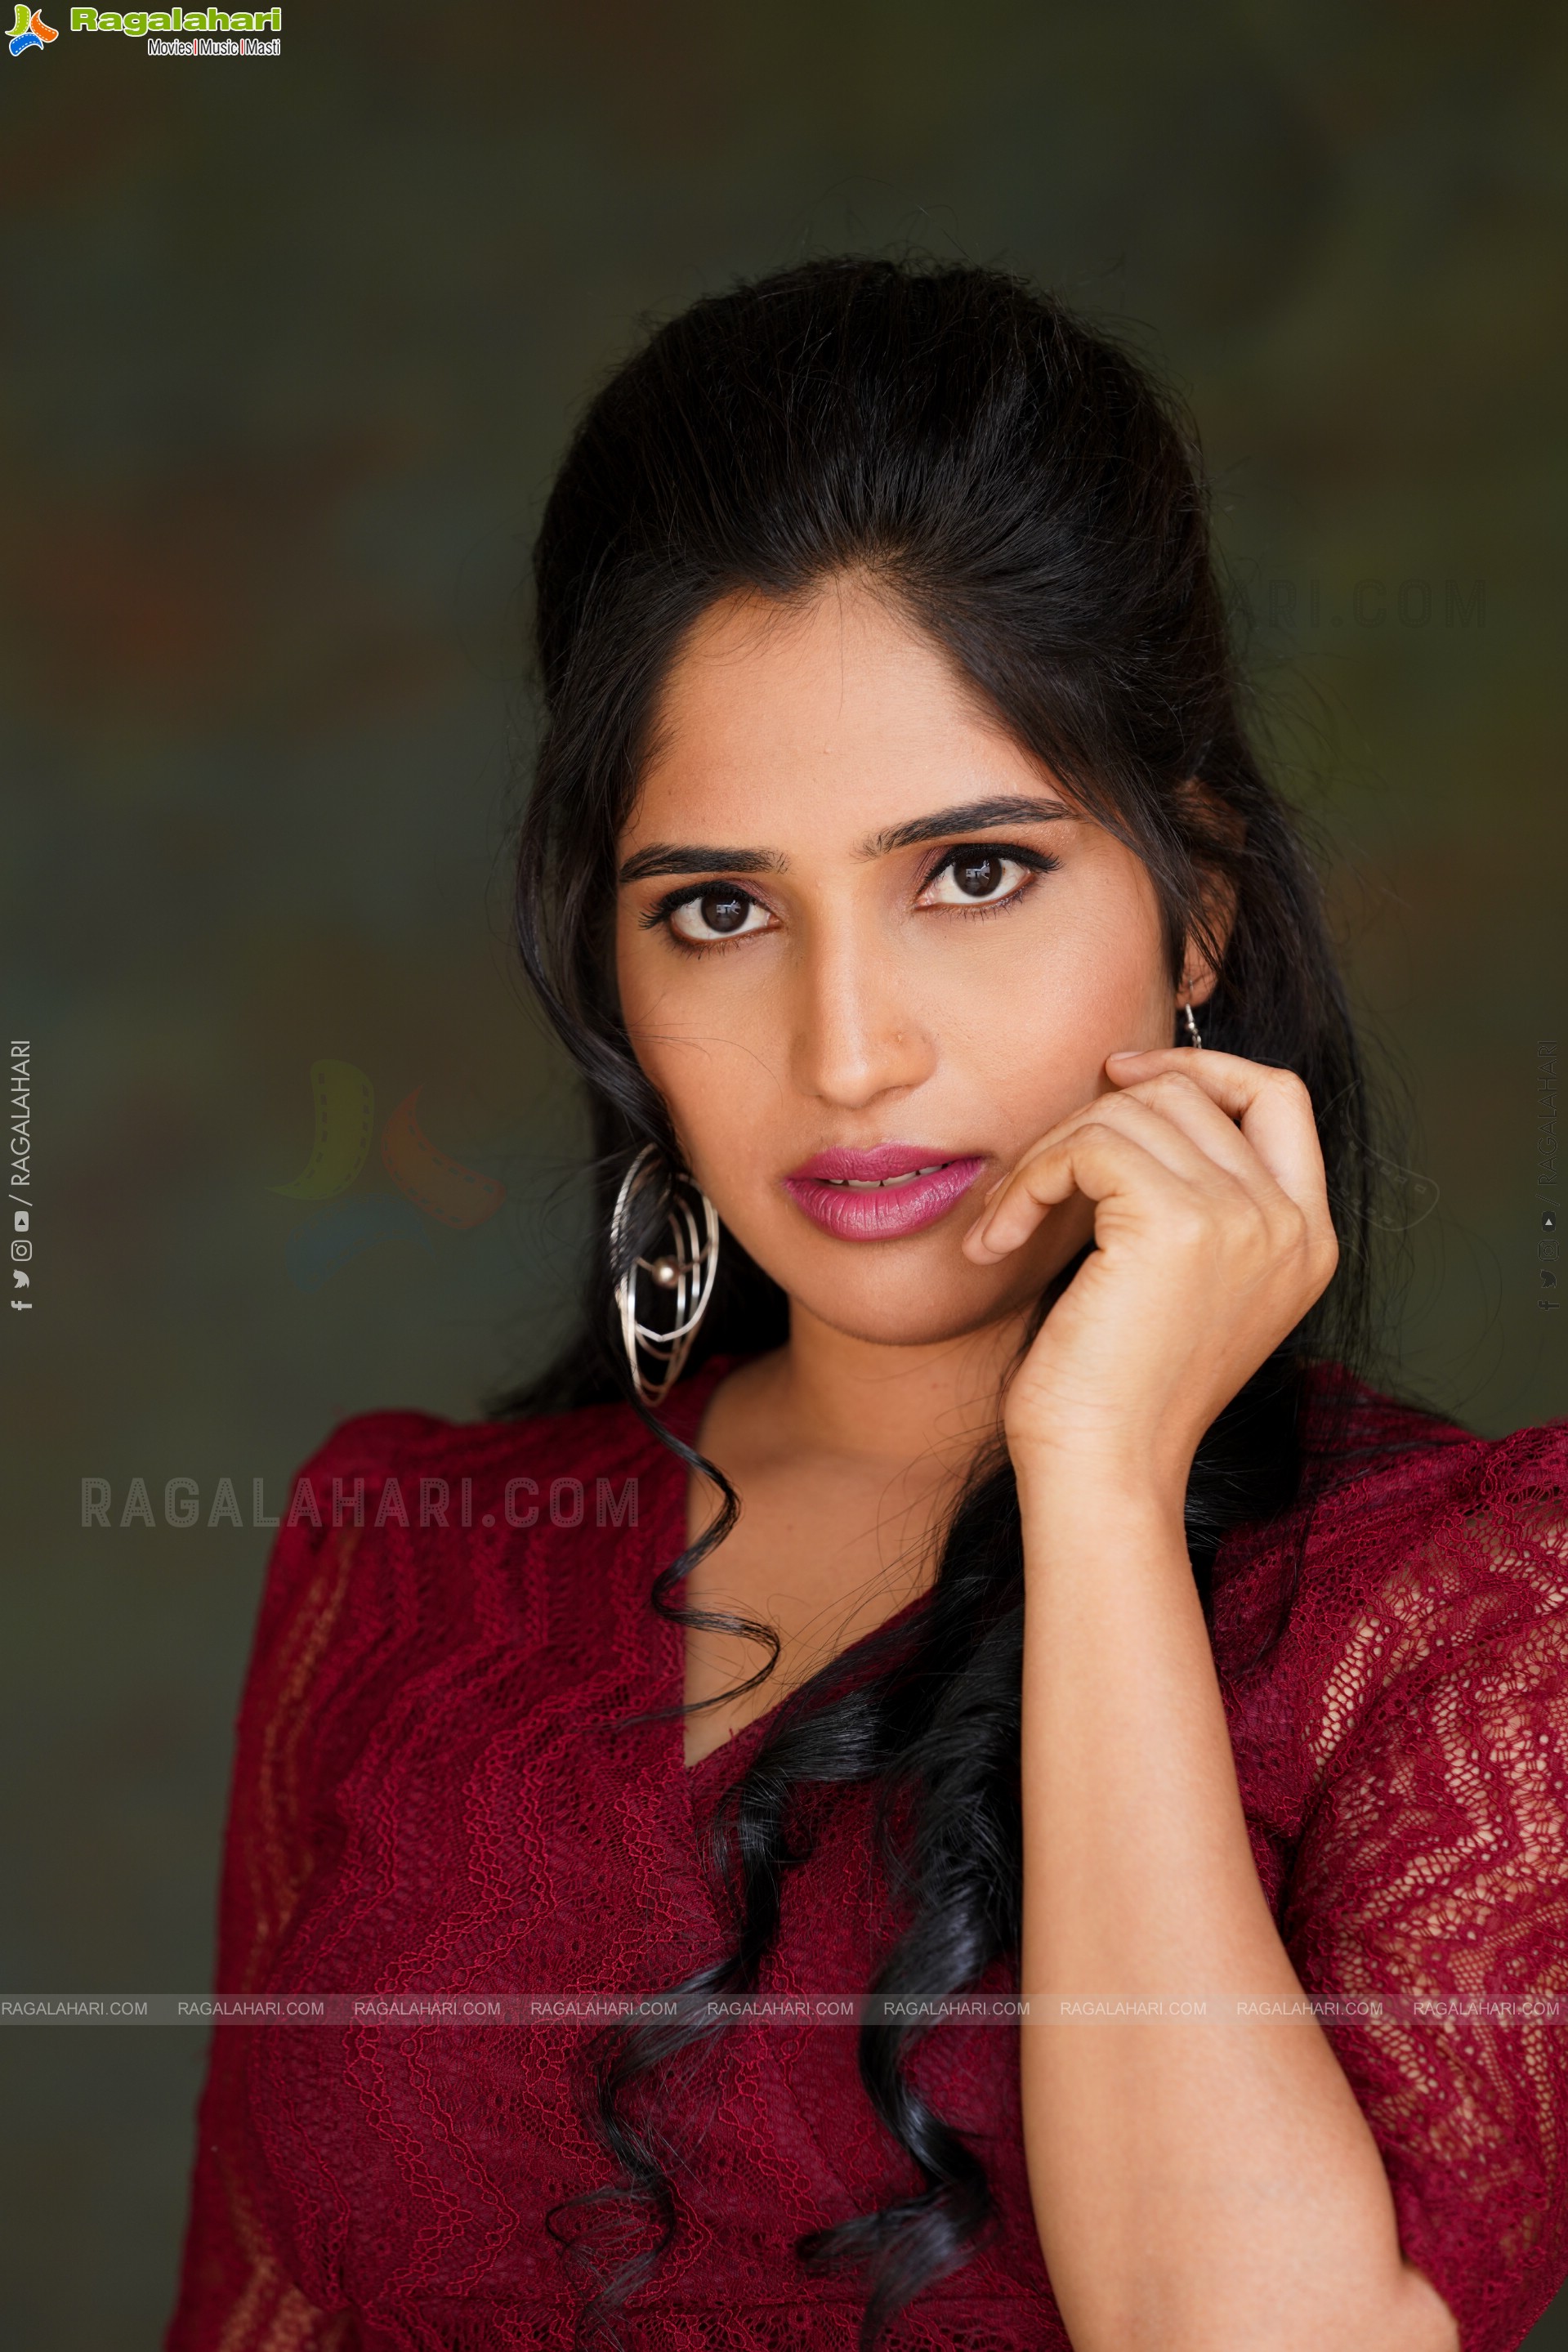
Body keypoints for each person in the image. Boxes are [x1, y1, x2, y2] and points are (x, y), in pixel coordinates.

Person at [166, 258, 1568, 2352]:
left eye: (973, 872)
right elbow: (260, 2303)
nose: (848, 1051)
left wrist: (1094, 1488)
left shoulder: (1466, 1615)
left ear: (1196, 900)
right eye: (720, 909)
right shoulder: (404, 1544)